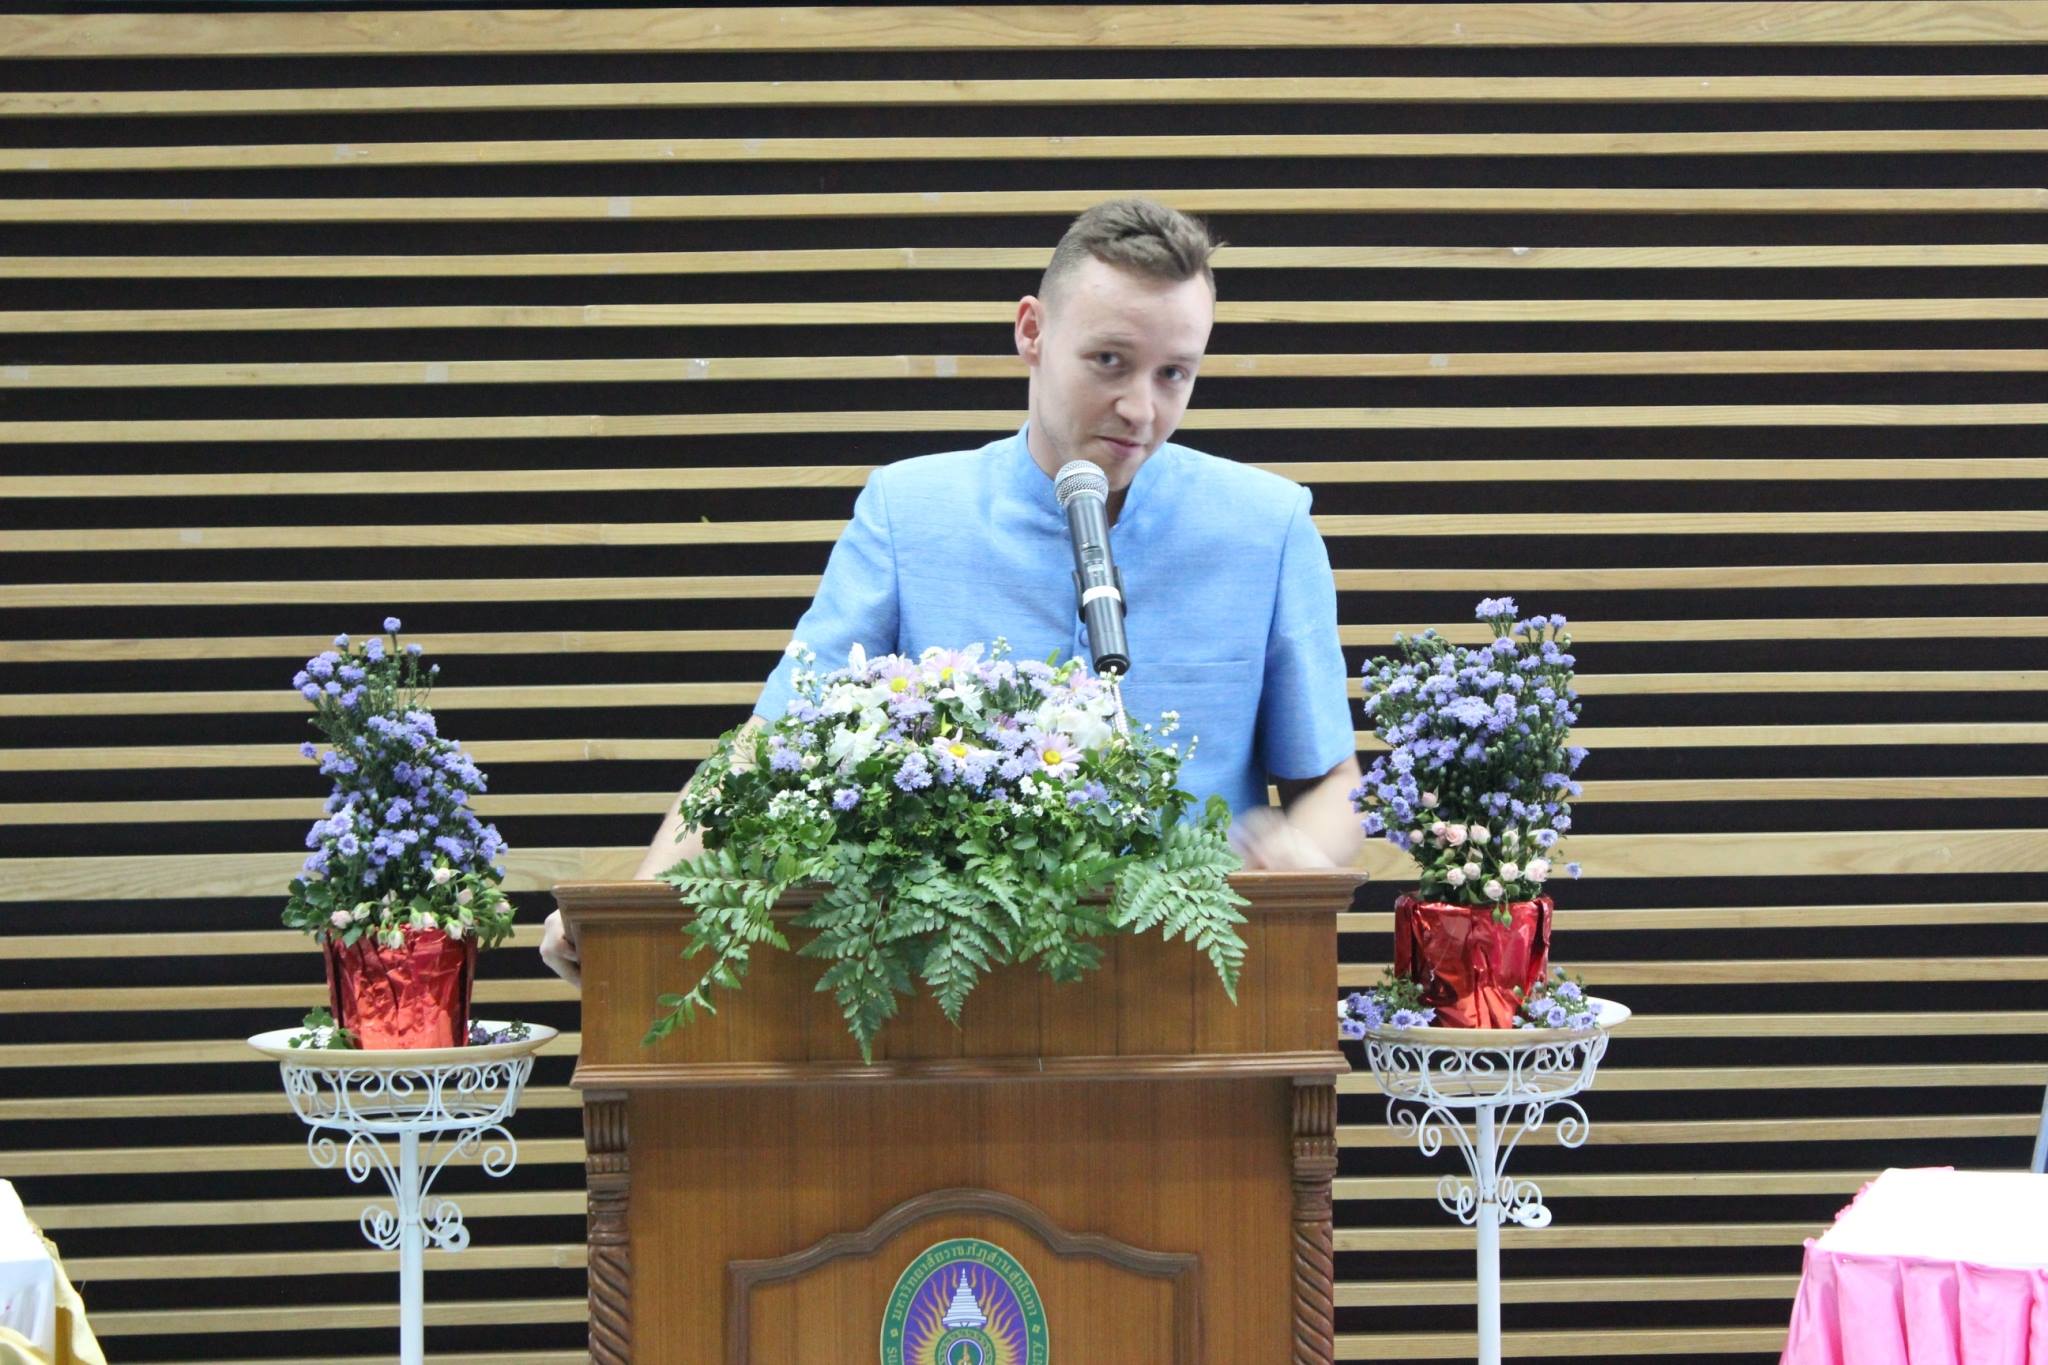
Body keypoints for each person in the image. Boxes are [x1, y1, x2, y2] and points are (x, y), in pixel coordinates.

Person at [540, 198, 1362, 986]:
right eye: (1110, 361)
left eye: (1174, 373)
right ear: (1031, 331)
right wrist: (638, 913)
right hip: (947, 995)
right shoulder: (908, 513)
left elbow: (1331, 782)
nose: (1140, 408)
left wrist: (1305, 855)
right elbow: (768, 745)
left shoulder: (1268, 526)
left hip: (1199, 990)